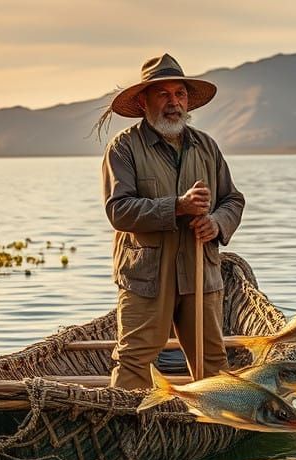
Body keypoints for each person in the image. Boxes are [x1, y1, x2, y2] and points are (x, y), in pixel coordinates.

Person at [99, 53, 245, 390]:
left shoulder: (206, 146)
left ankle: (213, 431)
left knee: (213, 366)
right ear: (143, 100)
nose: (173, 103)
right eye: (163, 94)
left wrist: (217, 224)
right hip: (147, 276)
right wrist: (177, 207)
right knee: (134, 362)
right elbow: (119, 211)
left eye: (179, 94)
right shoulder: (124, 148)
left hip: (200, 271)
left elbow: (232, 200)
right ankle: (127, 434)